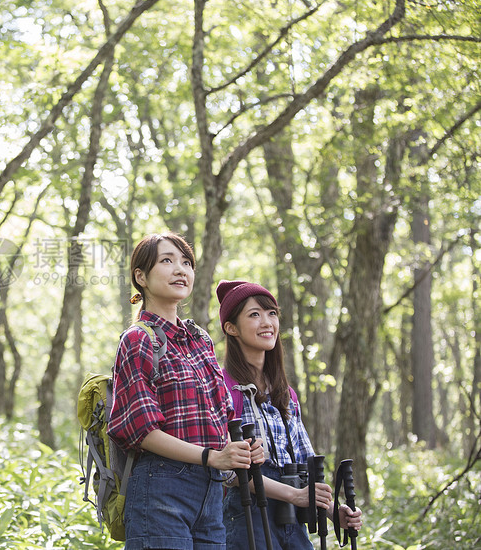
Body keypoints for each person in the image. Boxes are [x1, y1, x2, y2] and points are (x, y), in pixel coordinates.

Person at [108, 233, 264, 550]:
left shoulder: (200, 340)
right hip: (160, 490)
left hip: (211, 495)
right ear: (141, 276)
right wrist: (213, 456)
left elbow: (221, 419)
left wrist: (241, 450)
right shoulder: (138, 339)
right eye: (167, 261)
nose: (181, 270)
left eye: (186, 262)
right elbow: (141, 431)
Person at [215, 279, 363, 550]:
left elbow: (307, 465)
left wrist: (332, 512)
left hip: (292, 517)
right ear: (231, 327)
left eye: (272, 313)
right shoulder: (223, 387)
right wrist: (294, 495)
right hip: (246, 516)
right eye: (254, 315)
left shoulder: (286, 395)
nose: (267, 322)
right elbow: (230, 473)